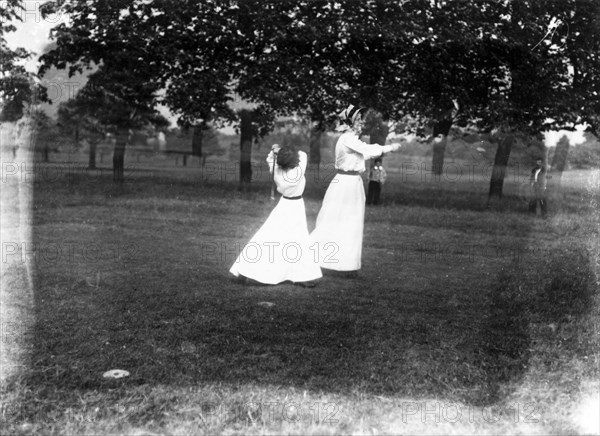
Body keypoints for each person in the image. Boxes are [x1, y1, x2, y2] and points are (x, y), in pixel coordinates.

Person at [310, 104, 403, 273]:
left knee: (350, 222)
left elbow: (364, 152)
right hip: (345, 184)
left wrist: (385, 150)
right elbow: (367, 150)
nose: (362, 122)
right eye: (358, 119)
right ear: (351, 123)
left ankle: (346, 264)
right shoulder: (348, 139)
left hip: (351, 183)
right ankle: (315, 258)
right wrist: (389, 147)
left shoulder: (351, 139)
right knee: (336, 220)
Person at [230, 144, 322, 287]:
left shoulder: (277, 169)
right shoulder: (297, 172)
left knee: (268, 236)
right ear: (293, 162)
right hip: (295, 206)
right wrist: (282, 150)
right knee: (298, 239)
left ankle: (245, 270)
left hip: (283, 205)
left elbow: (270, 159)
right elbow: (303, 154)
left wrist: (275, 152)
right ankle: (303, 276)